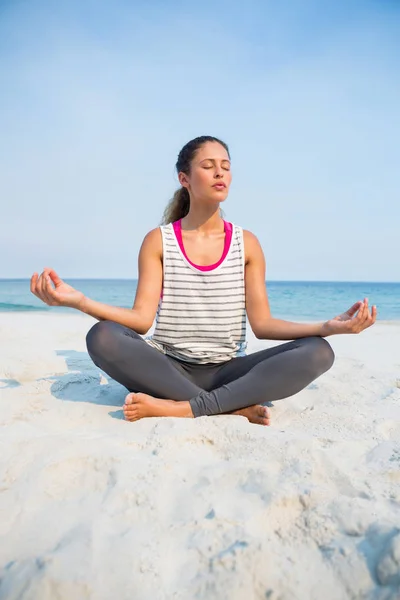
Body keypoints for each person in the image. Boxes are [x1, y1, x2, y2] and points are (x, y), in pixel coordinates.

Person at [31, 135, 377, 426]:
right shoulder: (159, 240)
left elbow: (263, 325)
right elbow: (140, 321)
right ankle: (229, 407)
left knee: (318, 351)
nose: (219, 173)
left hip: (229, 371)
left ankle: (185, 408)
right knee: (102, 336)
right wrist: (79, 302)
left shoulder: (247, 243)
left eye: (226, 166)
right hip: (168, 368)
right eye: (208, 165)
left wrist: (328, 326)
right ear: (185, 178)